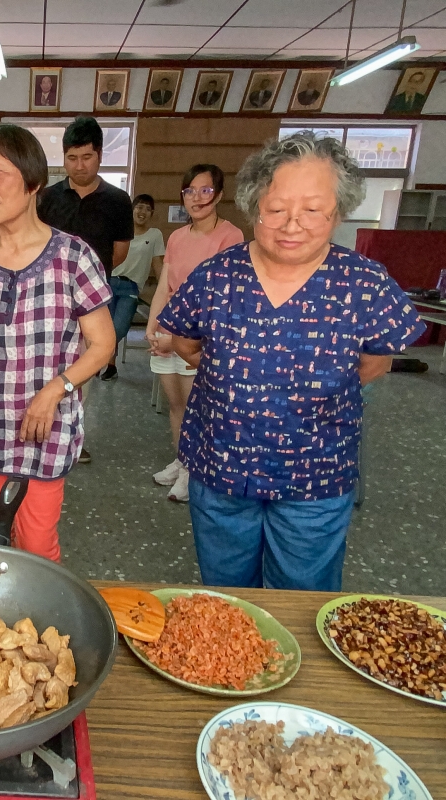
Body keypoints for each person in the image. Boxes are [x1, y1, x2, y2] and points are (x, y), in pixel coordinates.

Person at [159, 132, 425, 591]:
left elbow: (376, 361)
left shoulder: (363, 282)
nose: (292, 224)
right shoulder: (217, 275)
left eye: (313, 210)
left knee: (303, 597)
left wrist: (306, 395)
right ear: (253, 205)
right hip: (222, 465)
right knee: (227, 596)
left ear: (338, 212)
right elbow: (184, 340)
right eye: (276, 208)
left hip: (316, 474)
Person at [0, 124, 115, 563]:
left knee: (35, 544)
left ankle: (39, 621)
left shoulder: (73, 258)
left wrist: (56, 389)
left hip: (44, 432)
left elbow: (102, 345)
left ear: (33, 181)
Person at [145, 164, 243, 503]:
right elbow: (164, 287)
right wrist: (153, 326)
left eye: (205, 190)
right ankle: (182, 460)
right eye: (190, 191)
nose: (197, 198)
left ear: (218, 194)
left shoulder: (231, 236)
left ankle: (195, 471)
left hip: (198, 335)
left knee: (196, 405)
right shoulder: (176, 237)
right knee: (175, 405)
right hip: (169, 330)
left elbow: (222, 299)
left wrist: (182, 339)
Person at [37, 116, 133, 458]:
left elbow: (118, 253)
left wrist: (88, 281)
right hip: (47, 300)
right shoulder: (47, 199)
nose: (79, 166)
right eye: (72, 158)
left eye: (87, 157)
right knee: (47, 364)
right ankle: (42, 428)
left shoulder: (118, 201)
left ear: (100, 155)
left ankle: (71, 435)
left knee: (87, 367)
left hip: (93, 301)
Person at [105, 194, 165, 379]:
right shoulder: (119, 231)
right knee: (105, 328)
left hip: (131, 288)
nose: (142, 212)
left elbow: (158, 265)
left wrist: (166, 289)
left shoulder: (155, 235)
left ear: (152, 213)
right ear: (132, 210)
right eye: (139, 207)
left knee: (119, 329)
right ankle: (110, 366)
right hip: (109, 282)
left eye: (147, 209)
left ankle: (100, 359)